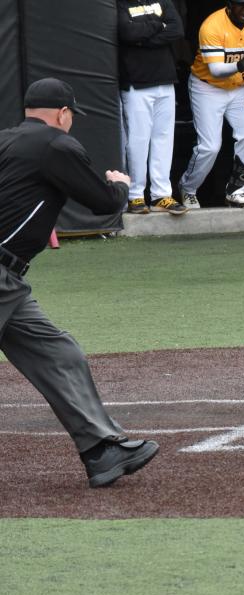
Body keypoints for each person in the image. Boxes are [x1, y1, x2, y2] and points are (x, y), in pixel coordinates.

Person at [0, 78, 159, 487]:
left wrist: (34, 225)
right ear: (63, 113)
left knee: (59, 354)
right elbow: (104, 204)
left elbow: (20, 194)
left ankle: (101, 450)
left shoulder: (7, 141)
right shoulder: (57, 144)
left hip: (10, 282)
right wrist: (121, 185)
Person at [179, 0, 244, 209]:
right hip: (207, 87)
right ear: (230, 5)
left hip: (238, 88)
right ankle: (188, 188)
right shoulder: (212, 25)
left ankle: (235, 190)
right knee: (210, 146)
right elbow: (216, 70)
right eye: (242, 4)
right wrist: (240, 65)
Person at [117, 0, 189, 216]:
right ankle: (135, 195)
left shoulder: (164, 1)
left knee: (164, 139)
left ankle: (161, 194)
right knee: (138, 141)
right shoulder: (120, 3)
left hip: (166, 80)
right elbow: (127, 33)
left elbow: (177, 29)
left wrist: (143, 37)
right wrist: (159, 24)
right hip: (136, 83)